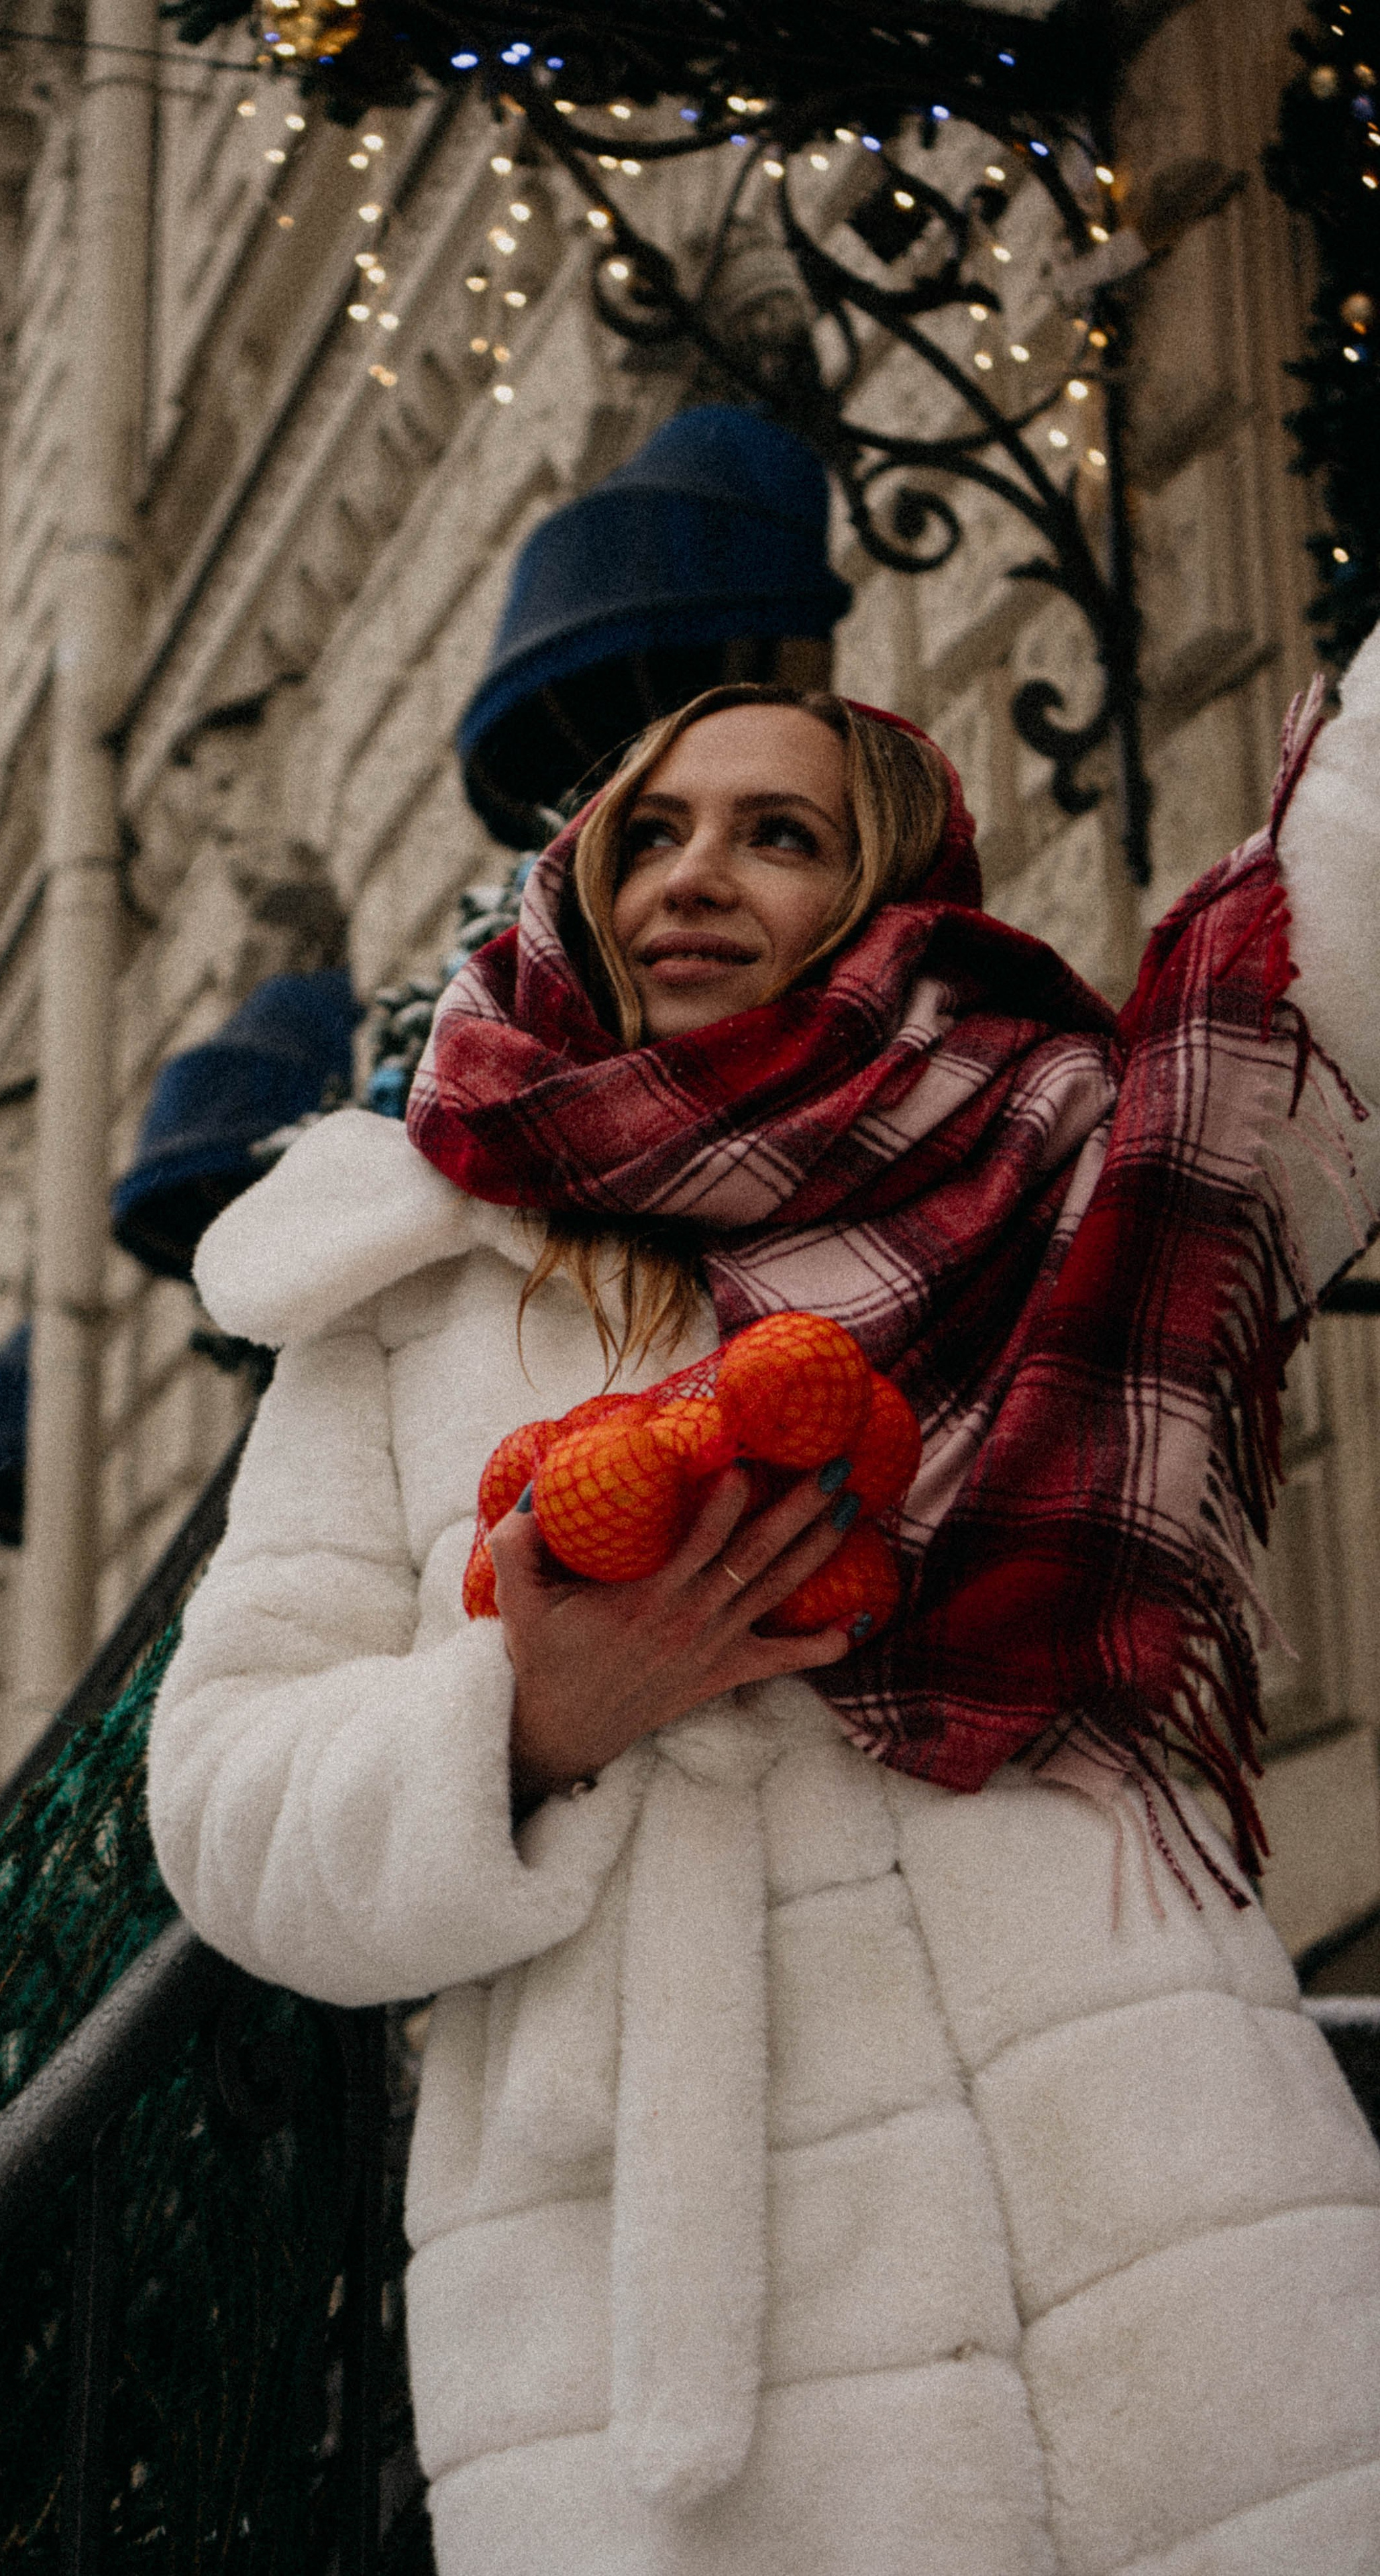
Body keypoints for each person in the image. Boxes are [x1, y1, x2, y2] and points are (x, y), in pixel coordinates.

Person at [148, 633, 1380, 2575]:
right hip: (669, 2297)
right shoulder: (414, 1280)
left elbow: (1334, 977)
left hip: (1146, 2181)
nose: (690, 878)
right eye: (651, 834)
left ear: (883, 900)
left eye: (777, 834)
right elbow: (222, 1807)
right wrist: (528, 1715)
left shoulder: (1059, 1149)